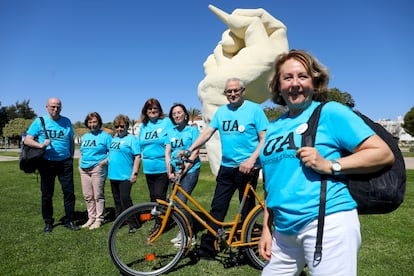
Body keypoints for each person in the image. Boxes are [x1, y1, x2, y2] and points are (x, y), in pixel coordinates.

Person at [259, 49, 395, 275]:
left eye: (302, 76)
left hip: (327, 222)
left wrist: (331, 165)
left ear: (315, 82)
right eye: (288, 77)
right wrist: (266, 228)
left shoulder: (330, 112)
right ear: (278, 85)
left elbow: (382, 153)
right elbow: (272, 185)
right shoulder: (273, 127)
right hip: (283, 231)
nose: (295, 83)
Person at [183, 77, 269, 259]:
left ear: (242, 91)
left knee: (246, 209)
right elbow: (206, 133)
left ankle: (247, 250)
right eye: (228, 92)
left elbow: (264, 138)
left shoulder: (254, 109)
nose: (232, 94)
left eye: (235, 90)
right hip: (227, 168)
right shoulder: (222, 112)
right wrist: (190, 149)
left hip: (248, 168)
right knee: (217, 207)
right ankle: (209, 248)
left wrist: (251, 160)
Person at [24, 97, 79, 233]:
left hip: (65, 162)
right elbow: (27, 140)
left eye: (58, 106)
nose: (55, 109)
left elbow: (71, 140)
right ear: (47, 107)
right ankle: (48, 222)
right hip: (47, 163)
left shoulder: (66, 121)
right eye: (53, 106)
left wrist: (71, 156)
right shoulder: (39, 121)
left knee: (69, 193)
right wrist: (41, 145)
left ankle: (69, 220)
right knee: (47, 194)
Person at [165, 103, 201, 247]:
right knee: (174, 202)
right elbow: (167, 153)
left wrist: (183, 171)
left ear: (185, 114)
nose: (177, 115)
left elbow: (195, 152)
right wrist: (169, 172)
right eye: (174, 114)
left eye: (179, 113)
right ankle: (182, 231)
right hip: (175, 171)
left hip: (190, 170)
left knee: (181, 202)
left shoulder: (192, 130)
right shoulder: (170, 131)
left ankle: (189, 235)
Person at [138, 98, 174, 232]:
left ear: (159, 110)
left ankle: (161, 224)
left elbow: (173, 138)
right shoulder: (144, 126)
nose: (152, 111)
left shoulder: (166, 122)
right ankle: (162, 219)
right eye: (149, 109)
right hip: (148, 168)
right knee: (153, 197)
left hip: (162, 166)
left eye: (155, 108)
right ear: (145, 111)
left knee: (159, 196)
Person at [108, 114, 141, 234]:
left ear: (127, 126)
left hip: (125, 175)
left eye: (122, 126)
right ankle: (119, 221)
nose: (119, 128)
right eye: (117, 126)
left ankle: (133, 223)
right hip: (113, 175)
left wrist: (134, 173)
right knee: (117, 200)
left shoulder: (132, 139)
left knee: (125, 199)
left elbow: (137, 156)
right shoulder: (114, 139)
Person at [78, 112, 112, 230]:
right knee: (88, 195)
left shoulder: (106, 136)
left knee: (98, 195)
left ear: (99, 122)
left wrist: (102, 163)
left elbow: (112, 152)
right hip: (84, 169)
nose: (92, 124)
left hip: (97, 168)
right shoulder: (85, 137)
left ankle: (99, 219)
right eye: (90, 122)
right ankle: (91, 217)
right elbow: (82, 152)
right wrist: (79, 165)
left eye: (94, 122)